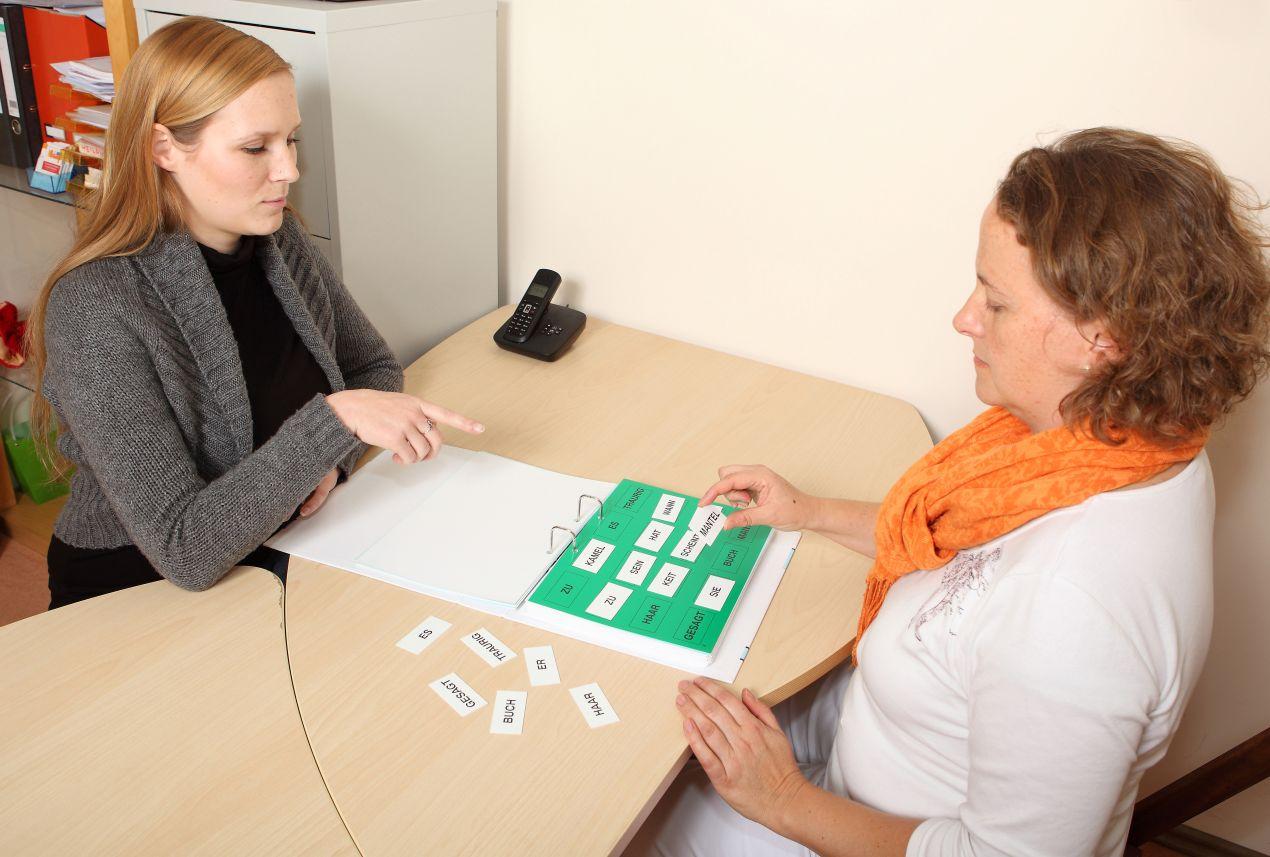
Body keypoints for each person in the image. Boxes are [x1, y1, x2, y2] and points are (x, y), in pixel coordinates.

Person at [629, 128, 1270, 856]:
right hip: (867, 726)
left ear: (1105, 338)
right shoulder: (1131, 438)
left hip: (856, 820)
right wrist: (806, 511)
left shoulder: (1076, 615)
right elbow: (967, 557)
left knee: (620, 804)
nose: (965, 318)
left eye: (996, 303)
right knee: (654, 726)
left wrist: (780, 796)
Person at [27, 16, 483, 608]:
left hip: (279, 551)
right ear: (165, 148)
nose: (288, 169)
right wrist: (333, 425)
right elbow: (184, 548)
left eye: (291, 139)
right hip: (137, 595)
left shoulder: (277, 238)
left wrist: (330, 464)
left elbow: (373, 370)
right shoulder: (96, 305)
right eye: (254, 148)